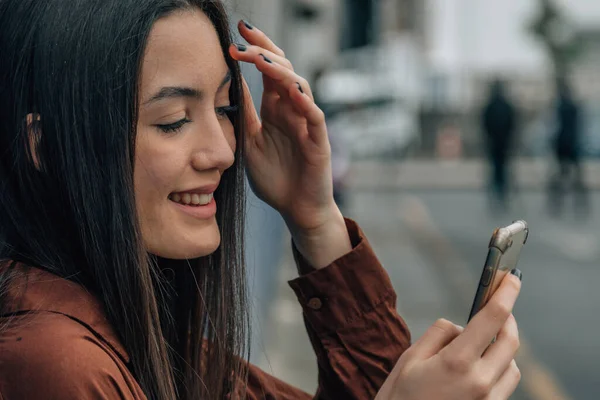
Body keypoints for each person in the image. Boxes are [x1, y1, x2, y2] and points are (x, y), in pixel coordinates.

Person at [0, 0, 522, 399]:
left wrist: (314, 219)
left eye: (226, 109)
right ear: (44, 145)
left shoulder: (150, 332)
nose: (223, 152)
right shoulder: (58, 365)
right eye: (173, 120)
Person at [547, 78, 588, 217]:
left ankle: (557, 204)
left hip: (563, 144)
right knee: (575, 176)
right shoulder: (574, 106)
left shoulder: (560, 107)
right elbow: (579, 125)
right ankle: (580, 204)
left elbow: (555, 126)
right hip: (572, 143)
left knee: (561, 174)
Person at [481, 79, 517, 212]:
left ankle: (496, 196)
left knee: (495, 170)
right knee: (503, 170)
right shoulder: (506, 105)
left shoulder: (490, 106)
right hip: (504, 143)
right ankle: (501, 196)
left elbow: (484, 123)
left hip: (494, 142)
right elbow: (513, 124)